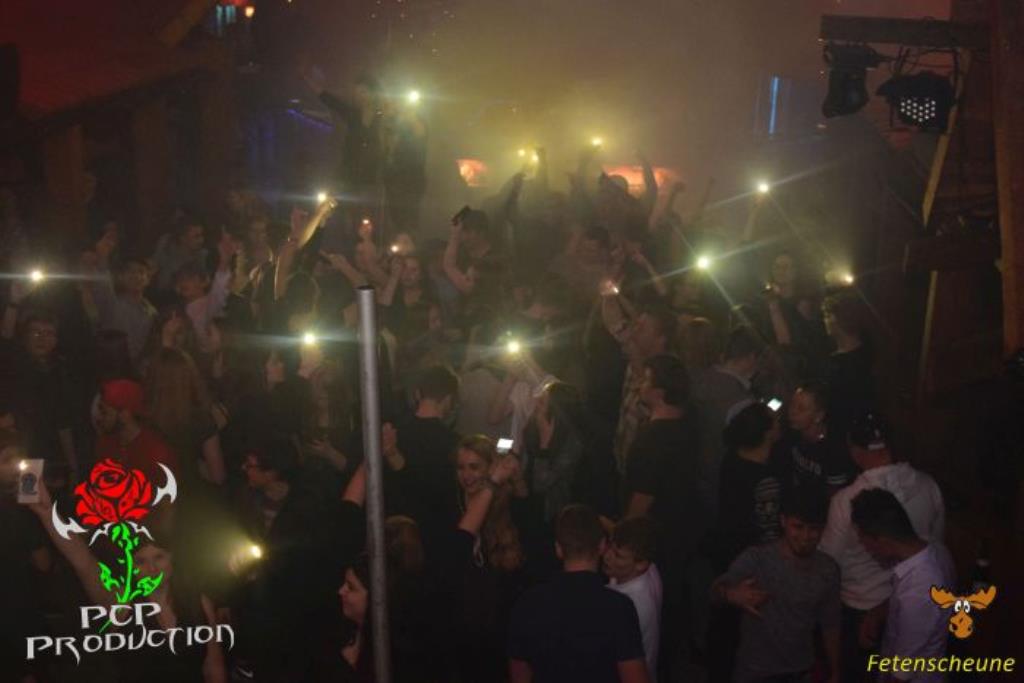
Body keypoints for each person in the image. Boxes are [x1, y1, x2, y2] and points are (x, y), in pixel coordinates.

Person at [27, 477, 226, 682]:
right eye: (141, 561)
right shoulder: (121, 604)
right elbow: (83, 561)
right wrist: (47, 514)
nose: (152, 569)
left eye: (159, 557)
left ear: (172, 558)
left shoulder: (198, 602)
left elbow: (214, 666)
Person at [819, 413, 945, 683]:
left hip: (861, 610)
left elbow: (827, 563)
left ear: (854, 450)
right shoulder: (928, 485)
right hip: (887, 607)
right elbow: (935, 540)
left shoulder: (846, 501)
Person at [711, 485, 841, 683]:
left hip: (802, 672)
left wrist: (835, 671)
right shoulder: (756, 560)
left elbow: (831, 624)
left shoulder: (828, 569)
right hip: (756, 674)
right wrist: (731, 594)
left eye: (813, 529)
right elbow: (713, 592)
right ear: (783, 522)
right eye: (798, 527)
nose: (805, 537)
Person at [508, 504, 650, 683]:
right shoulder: (620, 608)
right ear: (602, 546)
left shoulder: (527, 604)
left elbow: (520, 676)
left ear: (558, 549)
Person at [849, 489, 954, 682]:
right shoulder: (933, 548)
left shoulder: (920, 590)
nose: (868, 551)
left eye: (867, 545)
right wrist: (877, 613)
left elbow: (902, 673)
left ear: (883, 542)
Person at [381, 365, 461, 557]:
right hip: (437, 536)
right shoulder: (453, 443)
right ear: (448, 399)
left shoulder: (393, 435)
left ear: (417, 394)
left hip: (397, 533)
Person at [692, 326, 764, 516]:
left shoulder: (701, 378)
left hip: (698, 477)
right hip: (722, 485)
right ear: (752, 357)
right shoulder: (741, 402)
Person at [711, 401, 785, 571]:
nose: (780, 422)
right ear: (767, 433)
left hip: (729, 551)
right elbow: (769, 530)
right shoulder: (764, 479)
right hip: (754, 560)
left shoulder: (732, 457)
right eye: (776, 420)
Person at [604, 517, 663, 678]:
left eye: (618, 556)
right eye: (609, 546)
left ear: (641, 564)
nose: (607, 556)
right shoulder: (650, 569)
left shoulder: (631, 603)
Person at [773, 383, 856, 496]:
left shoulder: (834, 449)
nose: (792, 412)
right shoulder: (791, 433)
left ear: (819, 416)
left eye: (801, 409)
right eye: (792, 404)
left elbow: (835, 495)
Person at [94, 378, 178, 481]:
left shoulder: (156, 453)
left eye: (104, 412)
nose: (98, 417)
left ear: (125, 414)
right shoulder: (104, 445)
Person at [821, 291, 875, 440]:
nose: (824, 320)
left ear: (837, 319)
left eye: (827, 315)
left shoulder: (849, 363)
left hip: (848, 434)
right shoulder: (867, 353)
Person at [152, 214, 208, 295]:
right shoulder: (166, 243)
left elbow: (203, 282)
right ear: (183, 238)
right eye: (196, 237)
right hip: (160, 293)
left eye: (202, 235)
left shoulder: (202, 255)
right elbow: (153, 265)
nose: (201, 240)